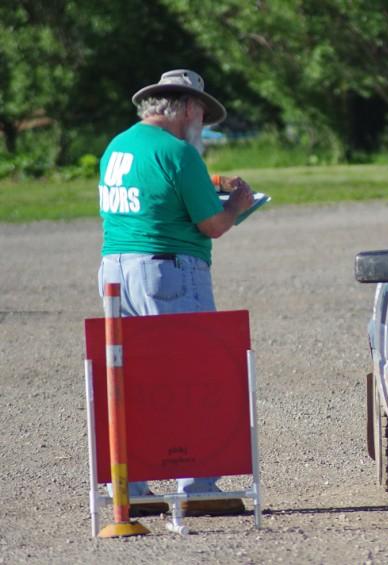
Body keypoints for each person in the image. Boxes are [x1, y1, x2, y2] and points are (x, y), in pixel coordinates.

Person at [97, 69, 254, 517]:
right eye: (202, 114)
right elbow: (213, 226)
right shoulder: (179, 154)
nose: (202, 124)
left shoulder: (117, 146)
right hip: (168, 269)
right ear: (186, 107)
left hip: (115, 268)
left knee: (133, 378)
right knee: (194, 374)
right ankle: (198, 485)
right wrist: (239, 208)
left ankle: (132, 487)